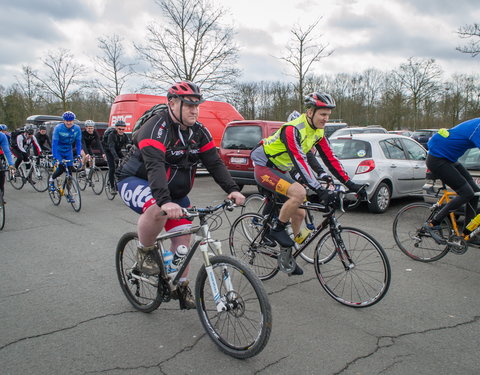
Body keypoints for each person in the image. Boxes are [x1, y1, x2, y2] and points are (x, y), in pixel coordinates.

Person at [116, 81, 245, 309]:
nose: (195, 110)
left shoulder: (199, 131)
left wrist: (232, 189)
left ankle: (181, 285)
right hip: (136, 180)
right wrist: (165, 202)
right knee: (157, 210)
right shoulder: (155, 129)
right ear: (172, 103)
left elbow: (214, 163)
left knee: (184, 236)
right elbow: (155, 167)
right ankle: (145, 251)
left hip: (173, 191)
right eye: (188, 105)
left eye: (197, 106)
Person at [250, 91, 363, 274]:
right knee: (299, 193)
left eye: (328, 115)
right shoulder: (292, 129)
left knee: (300, 212)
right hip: (265, 166)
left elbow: (330, 159)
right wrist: (319, 189)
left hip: (280, 169)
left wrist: (351, 184)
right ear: (310, 112)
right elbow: (299, 159)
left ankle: (287, 259)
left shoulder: (318, 131)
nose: (326, 119)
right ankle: (275, 230)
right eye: (323, 114)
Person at [423, 120, 480, 245]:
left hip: (450, 159)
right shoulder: (478, 127)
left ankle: (468, 234)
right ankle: (433, 222)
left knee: (475, 193)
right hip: (437, 159)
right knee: (466, 193)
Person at [49, 111, 82, 198]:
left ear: (73, 121)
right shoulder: (58, 128)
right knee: (62, 168)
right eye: (67, 121)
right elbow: (54, 144)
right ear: (64, 120)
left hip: (68, 150)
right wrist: (55, 157)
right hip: (59, 150)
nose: (68, 122)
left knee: (70, 172)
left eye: (70, 121)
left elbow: (78, 143)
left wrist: (78, 155)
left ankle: (69, 192)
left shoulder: (77, 128)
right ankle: (51, 180)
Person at [105, 120, 129, 190]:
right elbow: (111, 147)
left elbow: (127, 144)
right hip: (109, 151)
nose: (121, 130)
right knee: (112, 168)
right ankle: (112, 186)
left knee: (126, 161)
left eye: (123, 129)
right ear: (116, 128)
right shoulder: (111, 135)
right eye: (119, 129)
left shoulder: (124, 136)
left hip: (117, 151)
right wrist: (116, 157)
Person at [0, 130, 15, 201]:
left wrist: (11, 164)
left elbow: (6, 150)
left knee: (2, 175)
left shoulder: (2, 136)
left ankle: (1, 197)